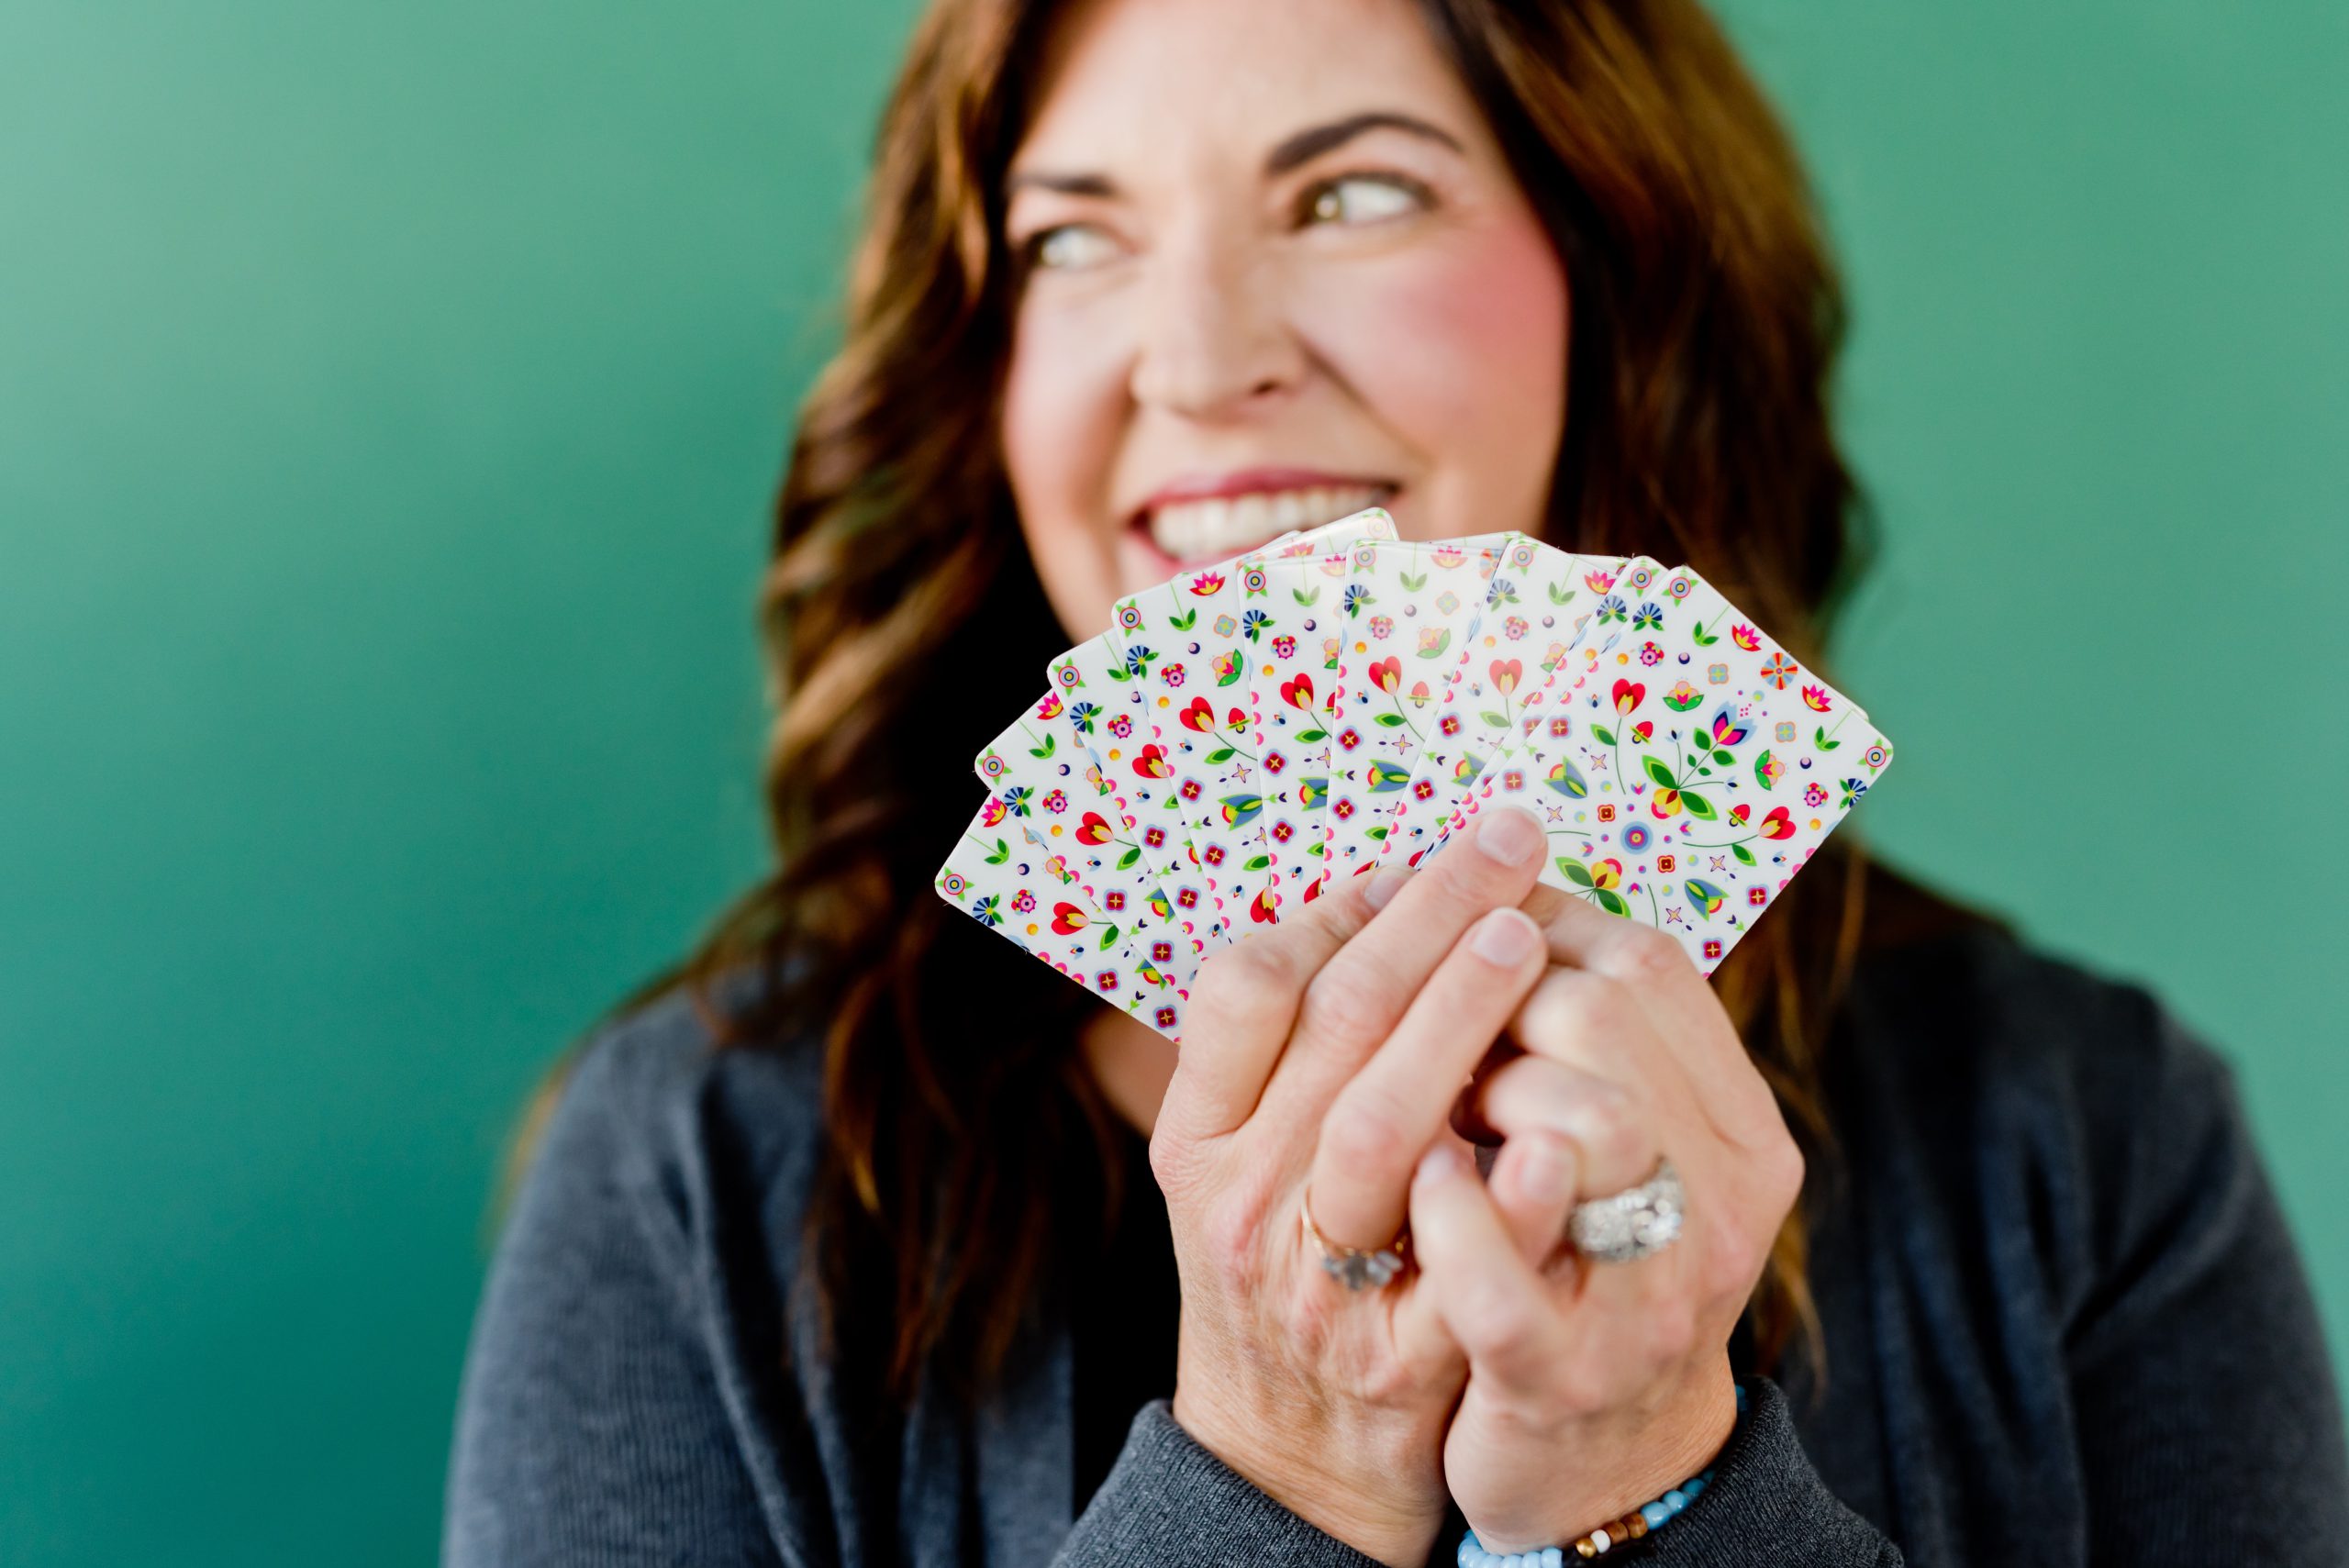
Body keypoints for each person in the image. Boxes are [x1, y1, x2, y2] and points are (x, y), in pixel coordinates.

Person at [440, 0, 2349, 1562]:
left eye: (1351, 194)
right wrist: (1278, 1470)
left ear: (1618, 273)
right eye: (1070, 238)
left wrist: (1657, 1486)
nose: (1190, 363)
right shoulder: (701, 1180)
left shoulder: (2082, 1148)